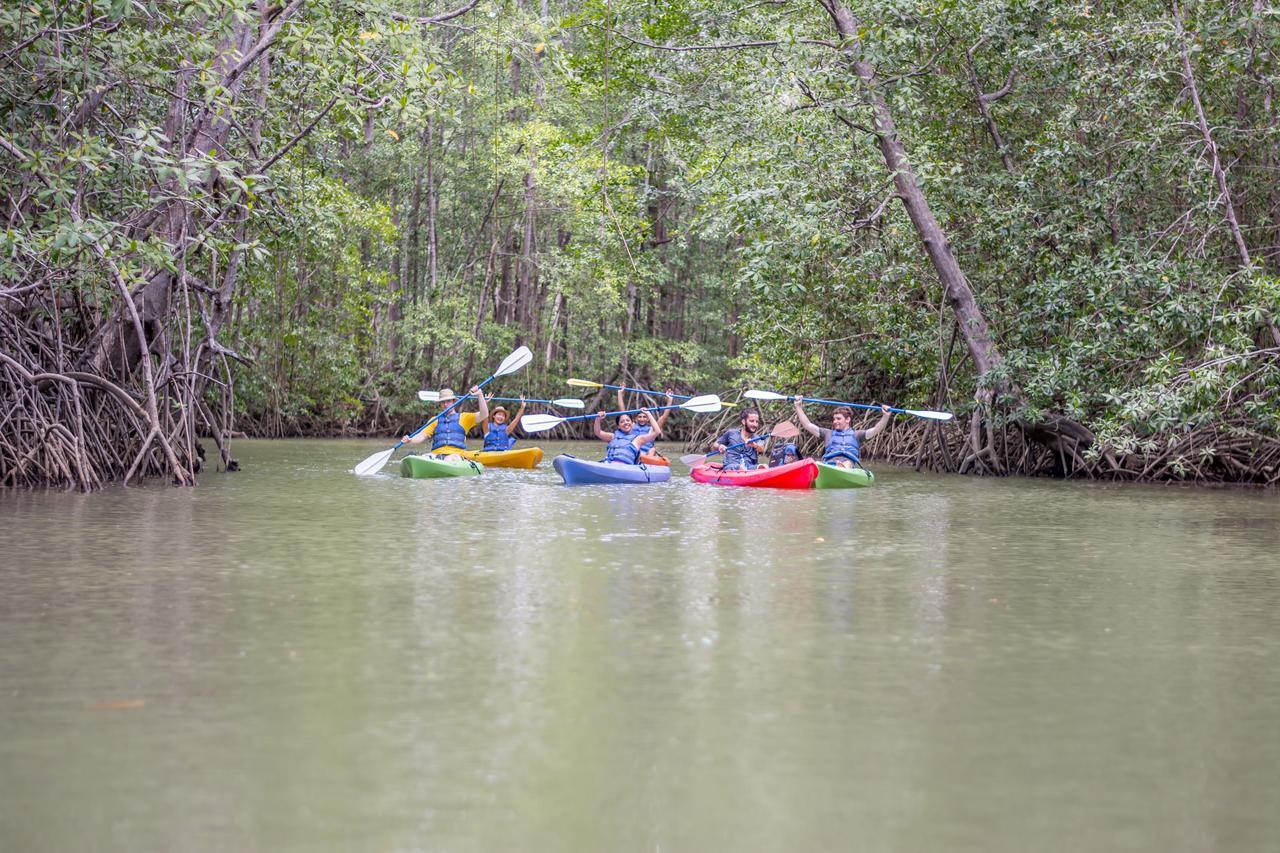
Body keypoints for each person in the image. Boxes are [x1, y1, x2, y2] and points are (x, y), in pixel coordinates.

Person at [793, 397, 892, 468]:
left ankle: (842, 467)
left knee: (847, 463)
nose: (835, 421)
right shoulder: (827, 433)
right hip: (829, 463)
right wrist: (798, 407)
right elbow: (807, 425)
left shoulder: (857, 435)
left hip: (848, 463)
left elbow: (875, 430)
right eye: (834, 419)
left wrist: (886, 416)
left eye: (838, 419)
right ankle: (832, 467)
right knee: (818, 463)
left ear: (847, 420)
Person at [402, 386, 488, 452]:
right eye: (443, 402)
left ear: (454, 402)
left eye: (448, 401)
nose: (445, 404)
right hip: (437, 454)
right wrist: (411, 440)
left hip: (456, 455)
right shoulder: (435, 420)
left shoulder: (464, 417)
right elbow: (422, 435)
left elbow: (484, 415)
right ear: (440, 404)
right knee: (426, 456)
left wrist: (480, 395)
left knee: (450, 458)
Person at [615, 388, 675, 456]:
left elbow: (664, 417)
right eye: (640, 417)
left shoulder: (652, 429)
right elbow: (623, 412)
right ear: (636, 418)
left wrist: (670, 400)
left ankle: (647, 464)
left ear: (648, 419)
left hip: (646, 454)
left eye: (644, 417)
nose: (642, 419)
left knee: (653, 450)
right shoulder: (631, 426)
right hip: (633, 451)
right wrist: (620, 393)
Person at [594, 409, 663, 464]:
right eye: (622, 422)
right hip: (608, 463)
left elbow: (657, 432)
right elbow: (598, 432)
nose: (626, 423)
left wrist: (648, 413)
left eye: (628, 420)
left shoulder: (638, 439)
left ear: (632, 424)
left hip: (625, 467)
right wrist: (598, 419)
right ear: (618, 426)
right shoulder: (612, 437)